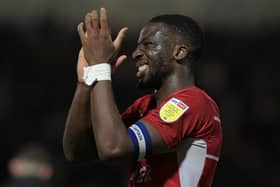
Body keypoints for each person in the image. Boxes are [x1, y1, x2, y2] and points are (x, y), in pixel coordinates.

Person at [63, 8, 222, 187]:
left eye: (148, 45)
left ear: (179, 52)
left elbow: (113, 148)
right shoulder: (144, 106)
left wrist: (100, 67)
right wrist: (86, 83)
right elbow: (78, 152)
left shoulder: (194, 102)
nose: (135, 54)